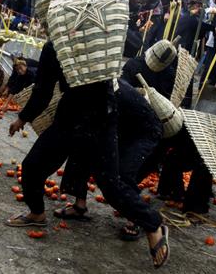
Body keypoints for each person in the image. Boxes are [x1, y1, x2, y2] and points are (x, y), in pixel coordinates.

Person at [6, 0, 170, 269]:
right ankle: (37, 214)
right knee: (32, 167)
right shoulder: (53, 49)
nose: (45, 27)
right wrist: (24, 117)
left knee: (112, 186)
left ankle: (153, 225)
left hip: (100, 119)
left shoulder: (99, 40)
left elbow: (126, 48)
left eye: (45, 23)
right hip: (71, 118)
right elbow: (43, 91)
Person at [54, 78, 163, 241]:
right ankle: (79, 206)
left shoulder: (103, 92)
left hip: (144, 131)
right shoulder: (88, 87)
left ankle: (140, 220)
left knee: (122, 174)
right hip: (122, 126)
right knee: (82, 148)